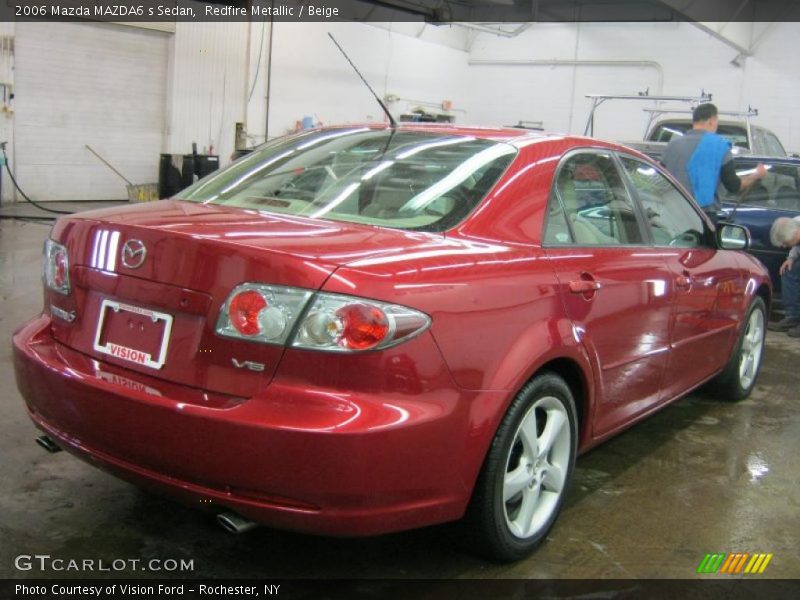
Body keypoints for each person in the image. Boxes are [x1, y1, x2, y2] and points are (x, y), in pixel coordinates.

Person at [662, 103, 767, 222]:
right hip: (702, 216)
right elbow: (733, 185)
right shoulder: (719, 146)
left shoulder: (672, 145)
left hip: (671, 214)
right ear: (712, 121)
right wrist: (756, 175)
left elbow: (660, 177)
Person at [768, 216, 800, 336]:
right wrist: (791, 258)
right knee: (788, 271)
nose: (786, 246)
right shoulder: (796, 223)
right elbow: (796, 245)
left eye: (786, 243)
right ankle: (793, 317)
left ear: (796, 234)